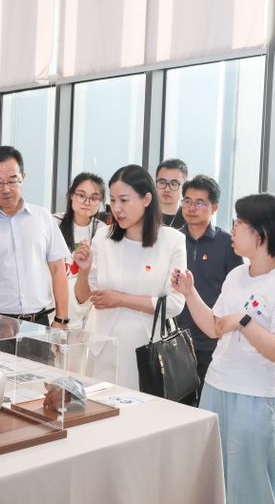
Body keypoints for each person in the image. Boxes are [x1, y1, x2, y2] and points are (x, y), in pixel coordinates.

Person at [172, 193, 275, 504]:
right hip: (216, 388)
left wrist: (245, 321)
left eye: (239, 223)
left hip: (257, 399)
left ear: (262, 233)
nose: (232, 229)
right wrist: (190, 293)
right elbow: (215, 327)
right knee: (212, 485)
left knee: (249, 492)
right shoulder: (237, 275)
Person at [73, 164, 186, 389]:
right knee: (98, 406)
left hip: (144, 350)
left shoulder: (172, 240)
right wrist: (83, 270)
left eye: (124, 200)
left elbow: (174, 304)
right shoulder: (103, 237)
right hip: (101, 345)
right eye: (113, 200)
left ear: (146, 199)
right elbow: (83, 297)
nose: (117, 208)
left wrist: (121, 300)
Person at [0, 146, 70, 329]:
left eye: (12, 180)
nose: (6, 189)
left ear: (23, 177)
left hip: (39, 323)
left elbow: (58, 270)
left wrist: (61, 319)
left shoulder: (43, 218)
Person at [176, 175, 243, 403]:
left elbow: (236, 290)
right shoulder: (173, 240)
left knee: (209, 403)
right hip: (176, 337)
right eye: (187, 201)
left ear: (214, 207)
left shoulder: (228, 243)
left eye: (200, 202)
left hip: (213, 337)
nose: (191, 207)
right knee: (179, 405)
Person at [53, 172, 106, 330]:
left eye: (94, 198)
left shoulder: (103, 231)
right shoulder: (54, 223)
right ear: (71, 195)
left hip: (87, 314)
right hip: (54, 311)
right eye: (81, 195)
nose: (87, 202)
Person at [155, 158, 187, 229]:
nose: (167, 189)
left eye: (173, 184)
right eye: (162, 182)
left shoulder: (189, 220)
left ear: (183, 187)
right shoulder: (143, 215)